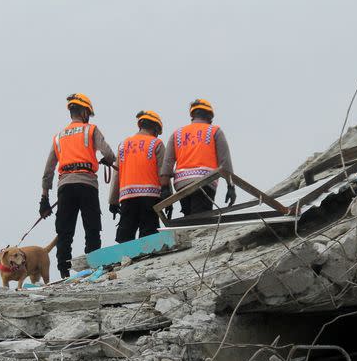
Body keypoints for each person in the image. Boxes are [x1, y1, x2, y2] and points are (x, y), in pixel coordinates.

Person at [40, 93, 116, 278]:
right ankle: (93, 266)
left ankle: (64, 271)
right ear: (83, 112)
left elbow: (49, 169)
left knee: (64, 230)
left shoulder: (58, 137)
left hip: (65, 186)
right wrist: (106, 160)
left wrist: (44, 198)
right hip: (87, 183)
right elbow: (109, 154)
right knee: (92, 226)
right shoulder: (91, 130)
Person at [160, 99, 236, 216]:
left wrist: (165, 190)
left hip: (182, 185)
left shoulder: (177, 134)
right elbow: (225, 161)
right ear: (210, 117)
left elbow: (167, 164)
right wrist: (230, 186)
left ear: (192, 116)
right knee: (200, 221)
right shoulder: (214, 131)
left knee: (189, 218)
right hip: (205, 181)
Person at [108, 110, 169, 242]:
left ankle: (122, 261)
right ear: (155, 128)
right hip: (150, 198)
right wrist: (168, 198)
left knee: (125, 234)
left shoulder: (123, 145)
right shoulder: (156, 143)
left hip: (127, 198)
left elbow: (116, 174)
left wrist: (113, 201)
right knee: (149, 235)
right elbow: (163, 173)